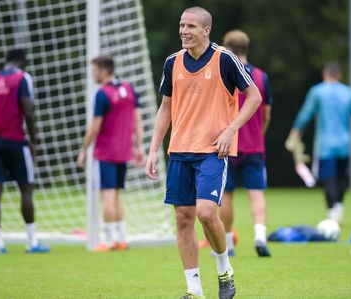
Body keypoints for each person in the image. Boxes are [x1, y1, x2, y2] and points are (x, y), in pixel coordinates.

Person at [146, 7, 261, 299]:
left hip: (212, 151)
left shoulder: (225, 59)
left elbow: (254, 97)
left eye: (191, 26)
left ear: (206, 30)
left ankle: (224, 269)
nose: (184, 31)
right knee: (183, 218)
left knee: (206, 213)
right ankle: (194, 290)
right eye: (182, 25)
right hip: (179, 152)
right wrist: (152, 150)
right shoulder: (173, 62)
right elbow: (165, 109)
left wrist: (230, 130)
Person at [287, 62, 351, 224]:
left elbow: (305, 115)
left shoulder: (317, 92)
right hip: (345, 144)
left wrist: (295, 133)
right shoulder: (349, 93)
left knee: (329, 179)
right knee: (341, 178)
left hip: (325, 145)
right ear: (340, 76)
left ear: (324, 74)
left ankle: (332, 214)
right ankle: (338, 210)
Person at [0, 49, 49, 254]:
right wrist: (34, 141)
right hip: (16, 141)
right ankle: (32, 241)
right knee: (26, 189)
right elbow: (28, 109)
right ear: (22, 62)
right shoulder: (22, 78)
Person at [77, 55, 144, 252]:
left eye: (94, 70)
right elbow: (137, 120)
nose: (92, 74)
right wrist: (139, 146)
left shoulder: (102, 94)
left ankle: (109, 240)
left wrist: (83, 150)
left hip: (106, 152)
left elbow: (94, 127)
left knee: (107, 194)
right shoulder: (129, 89)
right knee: (115, 194)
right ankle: (121, 238)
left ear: (104, 71)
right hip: (124, 151)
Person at [219, 29, 273, 257]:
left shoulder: (224, 74)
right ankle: (260, 237)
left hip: (226, 144)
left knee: (226, 195)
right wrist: (258, 135)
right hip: (254, 146)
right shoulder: (261, 77)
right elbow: (266, 114)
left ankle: (228, 244)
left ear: (227, 48)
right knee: (256, 192)